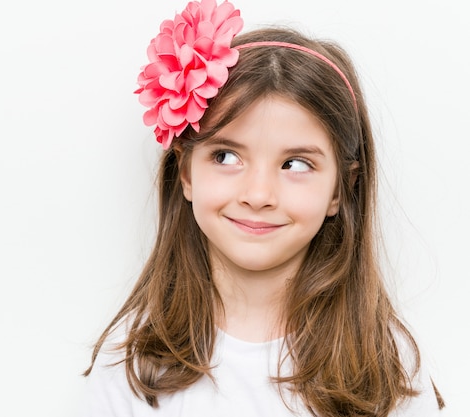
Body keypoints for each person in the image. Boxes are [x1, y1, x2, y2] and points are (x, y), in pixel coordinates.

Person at [80, 0, 445, 415]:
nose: (258, 194)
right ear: (185, 173)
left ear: (340, 190)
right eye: (226, 157)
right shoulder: (132, 363)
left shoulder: (385, 364)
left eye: (295, 164)